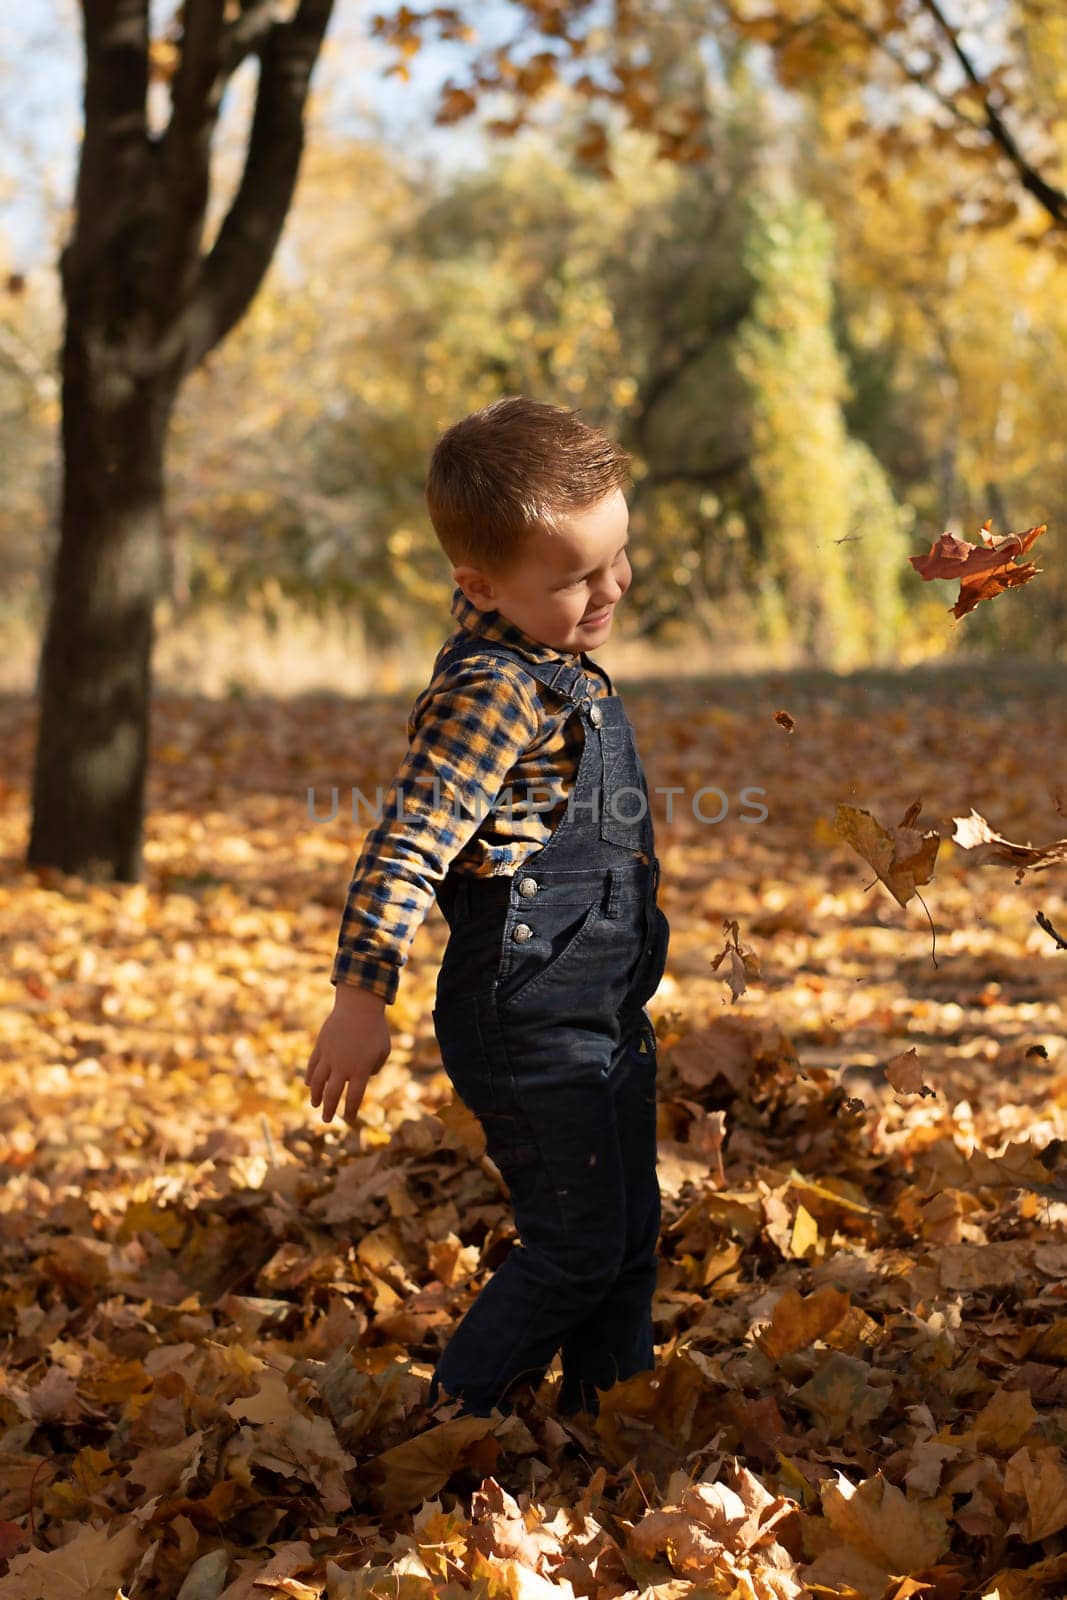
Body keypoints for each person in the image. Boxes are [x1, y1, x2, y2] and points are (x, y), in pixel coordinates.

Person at [305, 395, 670, 1420]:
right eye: (574, 579)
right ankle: (447, 1426)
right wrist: (358, 996)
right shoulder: (492, 692)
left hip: (599, 1007)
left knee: (627, 1236)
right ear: (480, 584)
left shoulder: (552, 659)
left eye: (617, 558)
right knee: (574, 1244)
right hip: (524, 1013)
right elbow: (407, 843)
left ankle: (611, 1426)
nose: (609, 590)